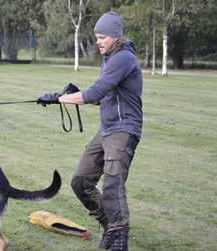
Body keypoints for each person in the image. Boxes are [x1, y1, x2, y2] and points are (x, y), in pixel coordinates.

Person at [38, 12, 142, 251]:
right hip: (107, 129)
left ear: (115, 37)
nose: (98, 41)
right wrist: (64, 96)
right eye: (96, 37)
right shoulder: (110, 57)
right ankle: (109, 226)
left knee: (113, 184)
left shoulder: (123, 58)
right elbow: (103, 95)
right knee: (80, 182)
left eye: (102, 37)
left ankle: (119, 239)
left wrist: (60, 98)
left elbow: (94, 93)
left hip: (124, 129)